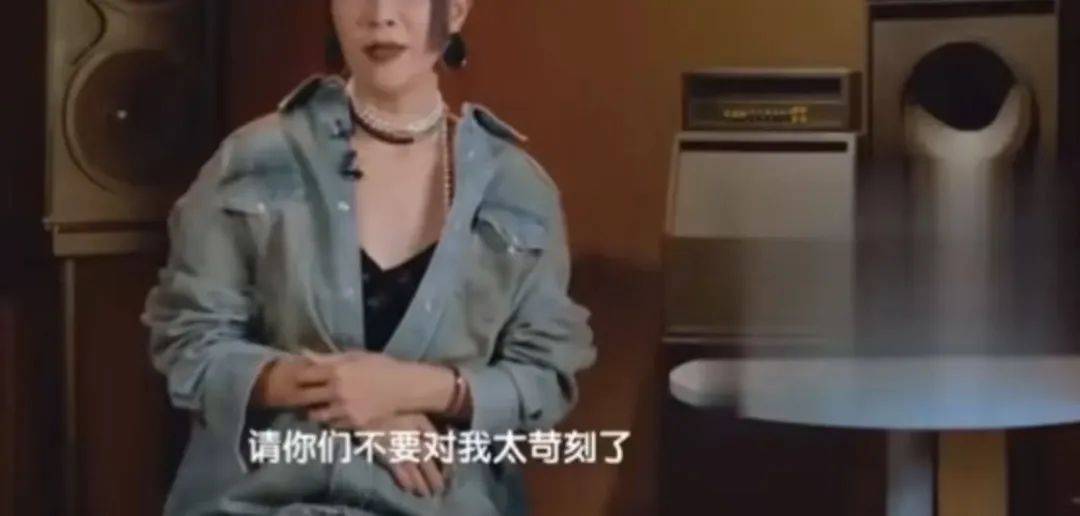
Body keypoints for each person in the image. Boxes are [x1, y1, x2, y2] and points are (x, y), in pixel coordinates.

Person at [141, 0, 596, 514]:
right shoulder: (253, 158)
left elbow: (545, 378)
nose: (380, 14)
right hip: (262, 500)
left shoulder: (516, 188)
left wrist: (407, 389)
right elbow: (190, 343)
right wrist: (341, 395)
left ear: (456, 11)